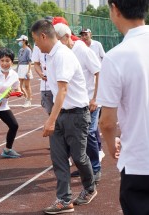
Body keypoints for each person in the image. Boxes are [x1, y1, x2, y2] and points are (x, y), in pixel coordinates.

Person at [31, 20, 96, 214]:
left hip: (76, 114)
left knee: (78, 157)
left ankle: (90, 187)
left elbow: (63, 90)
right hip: (60, 113)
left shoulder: (63, 55)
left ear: (43, 36)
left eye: (35, 40)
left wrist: (50, 120)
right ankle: (64, 200)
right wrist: (53, 117)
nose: (35, 45)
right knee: (58, 158)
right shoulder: (49, 56)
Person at [97, 0, 149, 214]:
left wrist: (111, 144)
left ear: (115, 9)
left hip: (139, 162)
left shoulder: (116, 57)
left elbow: (107, 121)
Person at [53, 23, 102, 183]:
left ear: (67, 37)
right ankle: (85, 168)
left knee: (89, 134)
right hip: (77, 103)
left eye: (58, 40)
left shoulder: (82, 50)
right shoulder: (62, 53)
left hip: (90, 101)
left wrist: (95, 98)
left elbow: (99, 72)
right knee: (79, 138)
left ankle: (95, 169)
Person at [80, 28, 106, 162]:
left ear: (91, 34)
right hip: (85, 92)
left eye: (86, 34)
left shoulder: (97, 45)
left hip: (96, 88)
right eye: (82, 34)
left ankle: (96, 156)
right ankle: (92, 156)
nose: (84, 36)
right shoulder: (79, 49)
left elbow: (104, 58)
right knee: (89, 127)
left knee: (91, 127)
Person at [32, 45, 53, 115]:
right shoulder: (37, 45)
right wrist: (41, 74)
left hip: (59, 86)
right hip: (46, 87)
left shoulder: (58, 44)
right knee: (50, 113)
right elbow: (36, 63)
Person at [16, 35, 33, 108]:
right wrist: (17, 69)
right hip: (20, 67)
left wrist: (28, 71)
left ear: (24, 41)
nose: (19, 42)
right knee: (19, 86)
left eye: (20, 41)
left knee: (27, 86)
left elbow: (29, 61)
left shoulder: (28, 50)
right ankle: (27, 98)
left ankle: (28, 100)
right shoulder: (20, 50)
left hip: (26, 67)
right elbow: (19, 61)